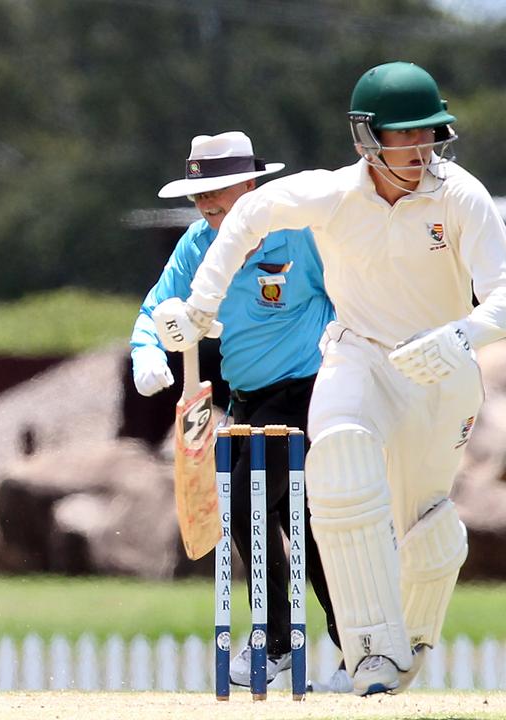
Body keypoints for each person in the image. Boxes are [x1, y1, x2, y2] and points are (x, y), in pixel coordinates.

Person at [153, 61, 502, 696]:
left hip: (441, 373)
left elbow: (504, 295)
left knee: (425, 525)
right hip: (356, 356)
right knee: (336, 468)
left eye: (430, 134)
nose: (422, 149)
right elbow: (248, 216)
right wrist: (203, 308)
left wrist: (460, 337)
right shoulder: (334, 194)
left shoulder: (461, 197)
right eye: (406, 136)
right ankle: (367, 654)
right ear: (367, 136)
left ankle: (403, 654)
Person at [132, 132, 346, 692]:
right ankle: (346, 645)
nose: (206, 205)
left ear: (251, 186)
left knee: (255, 500)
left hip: (306, 391)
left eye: (218, 191)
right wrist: (148, 354)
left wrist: (346, 348)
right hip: (245, 399)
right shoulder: (198, 244)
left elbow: (351, 292)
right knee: (289, 521)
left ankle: (283, 643)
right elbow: (157, 307)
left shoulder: (300, 235)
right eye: (198, 194)